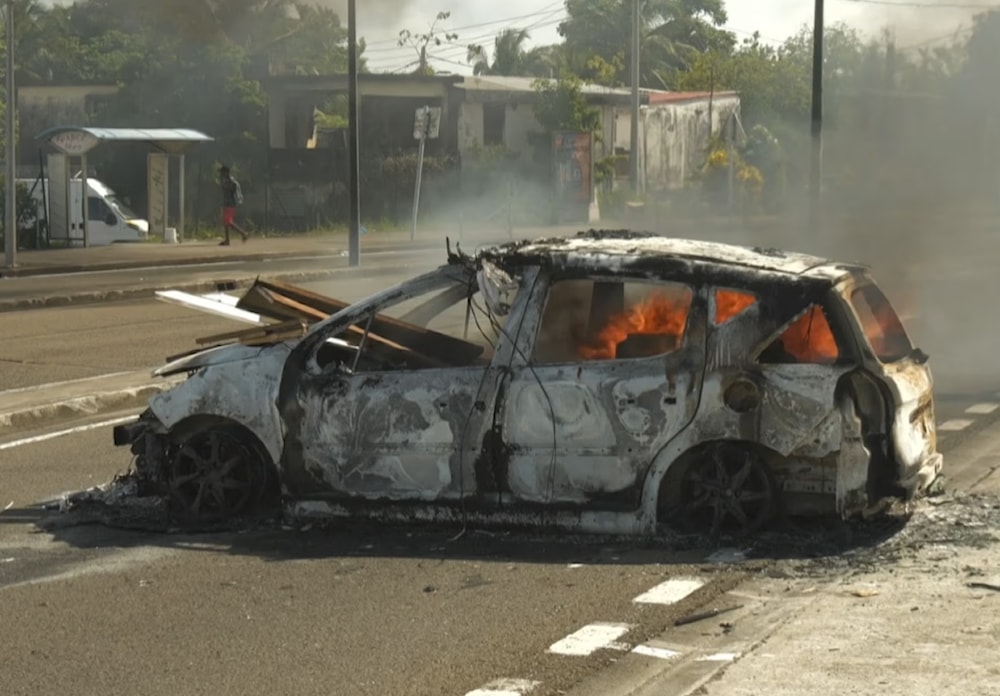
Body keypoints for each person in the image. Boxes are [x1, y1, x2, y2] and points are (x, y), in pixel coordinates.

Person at [219, 165, 248, 245]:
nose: (221, 175)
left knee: (228, 222)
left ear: (226, 173)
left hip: (231, 204)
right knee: (226, 223)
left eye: (222, 173)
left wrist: (238, 201)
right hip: (225, 203)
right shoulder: (224, 181)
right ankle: (227, 240)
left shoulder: (233, 183)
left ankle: (243, 233)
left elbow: (237, 194)